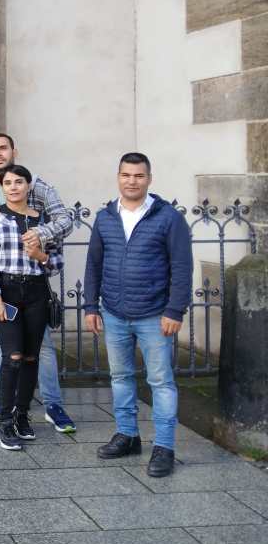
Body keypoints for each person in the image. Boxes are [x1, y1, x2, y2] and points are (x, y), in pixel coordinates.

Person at [84, 152, 192, 478]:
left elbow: (182, 267)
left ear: (149, 179)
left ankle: (164, 447)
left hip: (155, 315)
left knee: (161, 382)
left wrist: (174, 310)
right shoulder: (105, 217)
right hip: (114, 313)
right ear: (118, 177)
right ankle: (128, 435)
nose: (132, 181)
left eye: (139, 175)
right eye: (126, 175)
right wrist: (91, 306)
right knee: (120, 377)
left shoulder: (168, 217)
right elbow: (94, 264)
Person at [0, 132, 77, 433]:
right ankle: (6, 404)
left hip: (34, 282)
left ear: (14, 150)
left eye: (3, 148)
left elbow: (65, 221)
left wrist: (40, 234)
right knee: (3, 347)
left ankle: (52, 404)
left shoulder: (39, 186)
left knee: (40, 349)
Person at [0, 165, 64, 451]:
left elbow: (56, 264)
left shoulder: (43, 221)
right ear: (2, 187)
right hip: (7, 290)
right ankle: (4, 422)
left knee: (30, 357)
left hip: (36, 292)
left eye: (19, 182)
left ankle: (22, 415)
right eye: (8, 183)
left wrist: (40, 255)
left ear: (28, 186)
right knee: (12, 356)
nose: (13, 187)